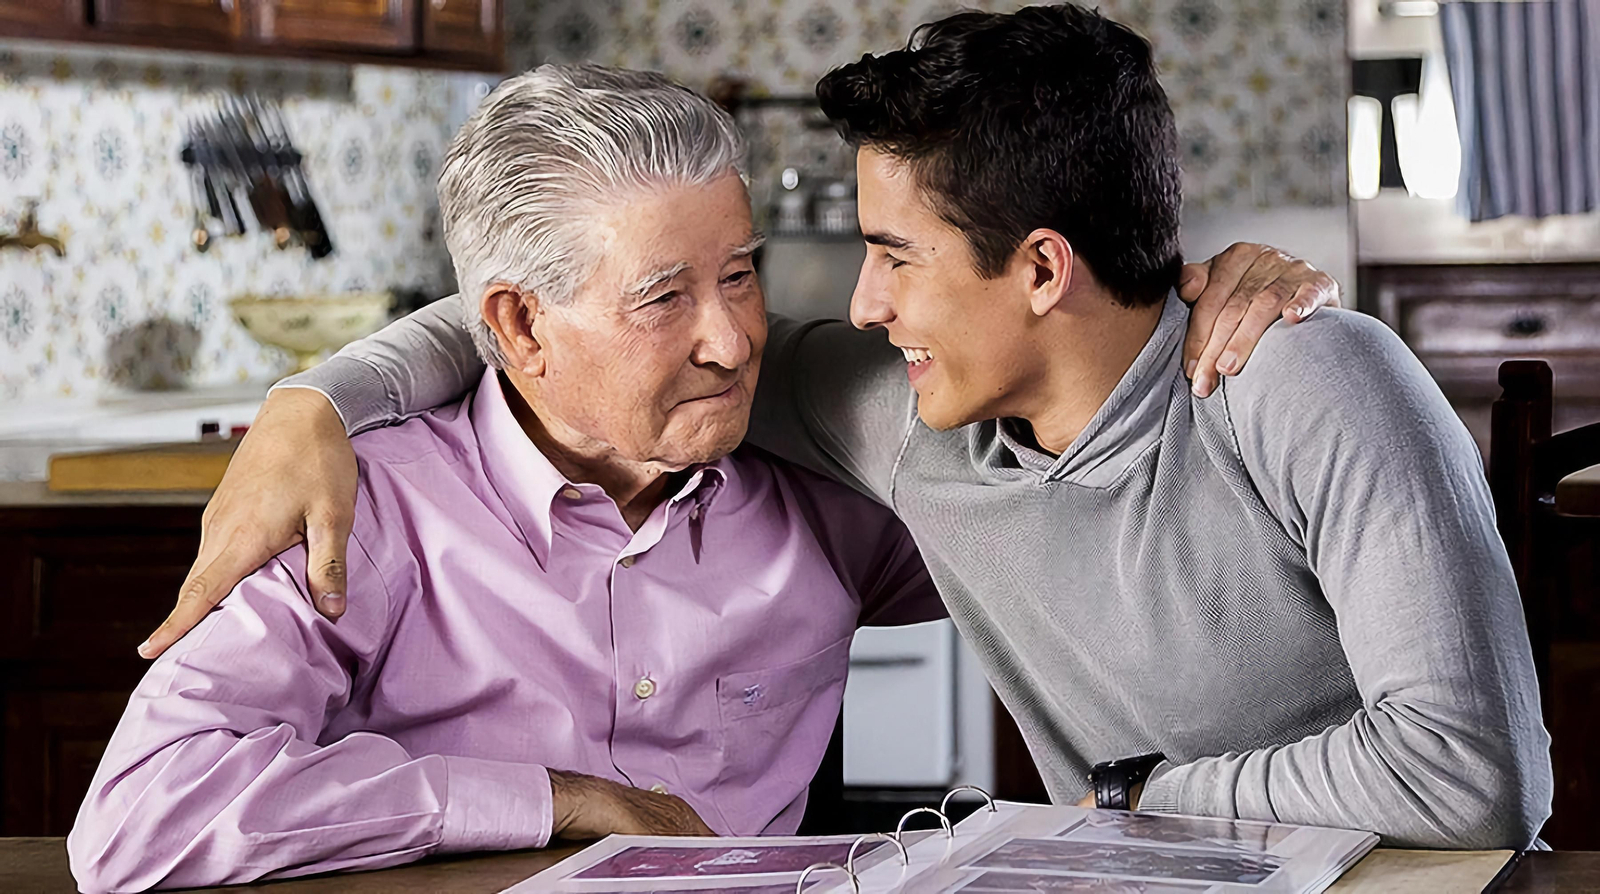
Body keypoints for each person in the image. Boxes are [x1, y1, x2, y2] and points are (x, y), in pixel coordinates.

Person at [140, 6, 1499, 851]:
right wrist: (312, 398)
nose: (837, 307)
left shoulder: (1299, 375)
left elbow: (1467, 773)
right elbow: (568, 331)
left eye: (892, 257)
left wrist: (1144, 790)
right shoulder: (887, 410)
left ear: (1040, 268)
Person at [67, 66, 947, 892]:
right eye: (664, 298)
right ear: (521, 324)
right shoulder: (365, 512)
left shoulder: (835, 497)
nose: (733, 342)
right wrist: (556, 800)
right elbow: (142, 816)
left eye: (740, 275)